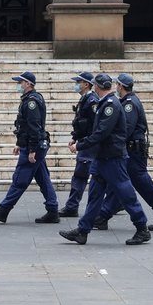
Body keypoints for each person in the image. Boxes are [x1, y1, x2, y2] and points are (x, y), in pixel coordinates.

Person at [59, 73, 151, 245]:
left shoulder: (111, 105)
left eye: (94, 84)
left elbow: (101, 133)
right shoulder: (104, 103)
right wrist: (79, 138)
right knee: (94, 195)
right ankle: (83, 230)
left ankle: (142, 227)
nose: (93, 87)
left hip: (113, 158)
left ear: (98, 86)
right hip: (101, 157)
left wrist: (80, 145)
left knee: (125, 193)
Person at [94, 73, 153, 232]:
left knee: (138, 183)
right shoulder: (127, 102)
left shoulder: (129, 104)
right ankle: (103, 216)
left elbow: (126, 129)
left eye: (117, 85)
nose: (116, 87)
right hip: (131, 150)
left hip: (133, 152)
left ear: (121, 86)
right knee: (121, 183)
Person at [0, 71, 60, 224]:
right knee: (43, 178)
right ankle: (53, 210)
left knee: (20, 178)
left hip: (34, 146)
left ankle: (4, 210)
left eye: (21, 82)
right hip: (34, 144)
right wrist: (19, 144)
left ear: (28, 84)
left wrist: (31, 150)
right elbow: (24, 126)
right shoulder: (29, 99)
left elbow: (34, 127)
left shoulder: (31, 101)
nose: (18, 85)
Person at [57, 71, 99, 217]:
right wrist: (75, 137)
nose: (76, 85)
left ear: (86, 84)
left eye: (78, 82)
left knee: (80, 176)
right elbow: (81, 122)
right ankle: (116, 203)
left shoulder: (92, 100)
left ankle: (72, 206)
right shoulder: (84, 99)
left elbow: (94, 126)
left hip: (89, 145)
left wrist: (83, 142)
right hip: (85, 142)